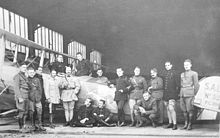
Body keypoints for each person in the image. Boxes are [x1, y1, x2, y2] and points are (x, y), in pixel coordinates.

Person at [180, 59, 199, 130]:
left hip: (190, 94)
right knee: (184, 110)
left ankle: (190, 124)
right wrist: (181, 93)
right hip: (182, 94)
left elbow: (196, 85)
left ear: (191, 65)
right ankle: (186, 124)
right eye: (185, 65)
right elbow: (181, 84)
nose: (186, 66)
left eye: (187, 65)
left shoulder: (194, 73)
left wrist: (194, 94)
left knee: (190, 110)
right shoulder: (182, 74)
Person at [161, 61, 179, 130]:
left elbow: (177, 85)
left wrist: (176, 94)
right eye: (166, 65)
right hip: (166, 94)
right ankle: (170, 123)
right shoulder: (164, 74)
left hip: (172, 94)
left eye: (168, 65)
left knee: (171, 108)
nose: (167, 66)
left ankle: (175, 124)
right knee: (168, 109)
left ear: (171, 66)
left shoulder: (174, 73)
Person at [13, 62, 30, 131]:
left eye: (26, 68)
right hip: (21, 94)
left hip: (26, 94)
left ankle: (24, 125)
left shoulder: (25, 76)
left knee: (26, 111)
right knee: (21, 111)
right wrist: (19, 97)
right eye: (23, 67)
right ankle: (21, 127)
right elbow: (16, 87)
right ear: (20, 68)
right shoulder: (17, 76)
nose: (25, 69)